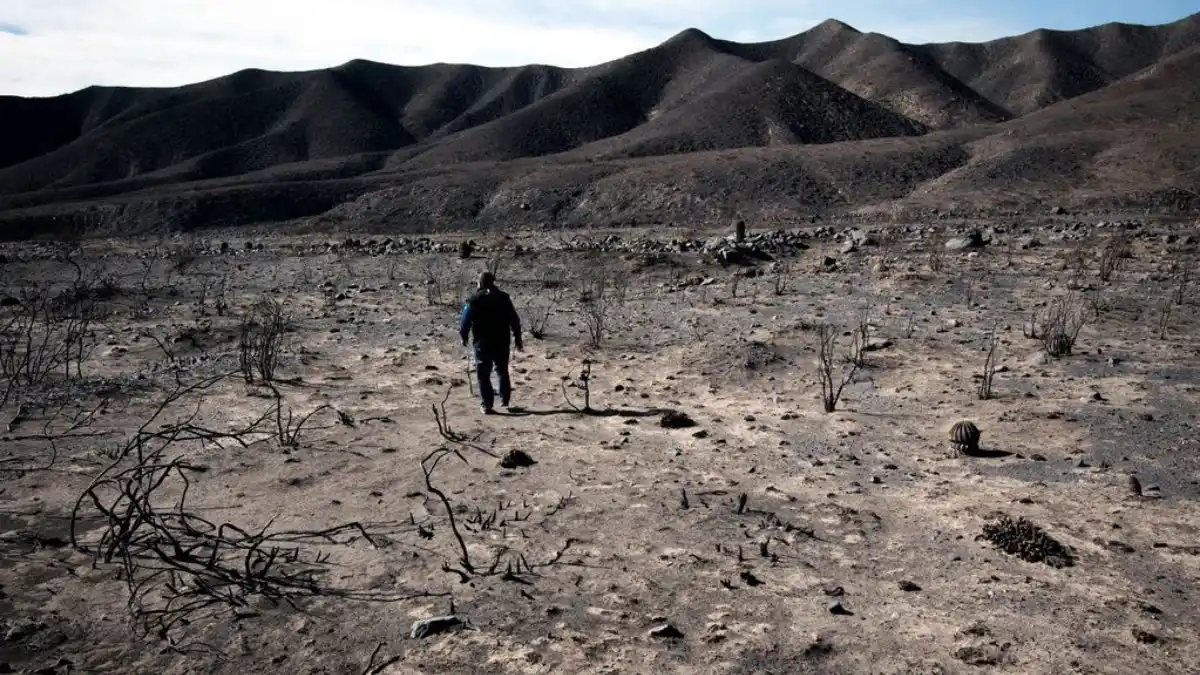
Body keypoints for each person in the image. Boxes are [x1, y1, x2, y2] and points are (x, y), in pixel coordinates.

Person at [459, 271, 523, 414]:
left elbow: (465, 321)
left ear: (480, 283)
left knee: (483, 374)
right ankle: (505, 400)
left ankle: (487, 404)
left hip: (482, 342)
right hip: (502, 341)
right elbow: (515, 319)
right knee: (502, 370)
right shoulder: (504, 298)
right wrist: (518, 338)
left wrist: (464, 336)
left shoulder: (474, 300)